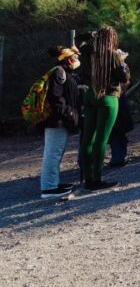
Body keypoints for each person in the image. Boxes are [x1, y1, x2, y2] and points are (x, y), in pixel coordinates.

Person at [80, 26, 130, 190]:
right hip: (108, 98)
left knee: (87, 139)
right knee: (101, 139)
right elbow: (124, 77)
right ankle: (97, 178)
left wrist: (92, 35)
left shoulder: (87, 52)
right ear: (112, 39)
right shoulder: (113, 56)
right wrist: (122, 60)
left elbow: (77, 40)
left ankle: (87, 178)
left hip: (90, 96)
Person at [40, 46, 82, 199]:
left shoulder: (62, 71)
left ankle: (54, 183)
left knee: (56, 153)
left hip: (58, 121)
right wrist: (68, 114)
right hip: (55, 121)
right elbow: (56, 98)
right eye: (75, 57)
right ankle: (49, 188)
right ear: (69, 59)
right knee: (52, 153)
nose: (78, 60)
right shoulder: (59, 72)